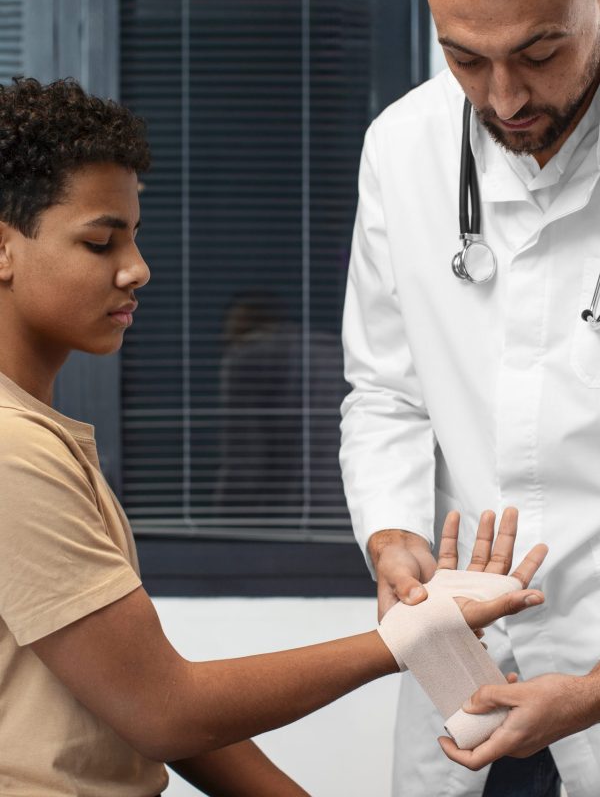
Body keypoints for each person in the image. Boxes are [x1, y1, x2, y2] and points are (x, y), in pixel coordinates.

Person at [0, 76, 546, 797]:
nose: (137, 269)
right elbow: (165, 711)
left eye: (133, 236)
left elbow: (133, 702)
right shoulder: (13, 452)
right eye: (102, 242)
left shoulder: (40, 434)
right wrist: (406, 639)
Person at [339, 0, 600, 795]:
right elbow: (385, 388)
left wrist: (591, 694)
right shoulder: (404, 145)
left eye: (540, 54)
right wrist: (390, 535)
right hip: (466, 650)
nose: (504, 99)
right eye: (466, 60)